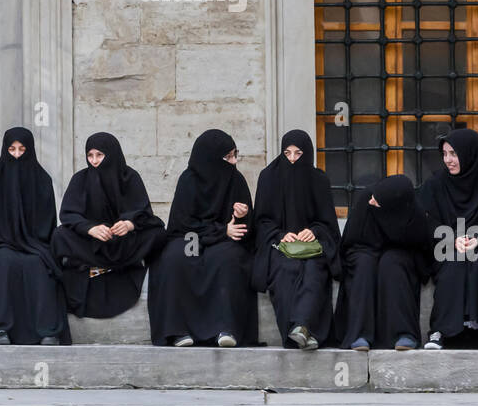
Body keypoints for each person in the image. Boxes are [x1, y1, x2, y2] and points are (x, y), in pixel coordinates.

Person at [148, 129, 257, 348]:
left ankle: (226, 329)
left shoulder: (236, 179)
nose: (234, 161)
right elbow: (184, 224)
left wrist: (242, 215)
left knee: (228, 260)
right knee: (176, 258)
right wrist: (220, 231)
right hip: (192, 237)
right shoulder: (189, 180)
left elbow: (246, 230)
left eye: (235, 155)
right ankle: (178, 331)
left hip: (224, 242)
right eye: (228, 157)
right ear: (210, 158)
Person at [49, 132, 165, 318]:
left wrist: (129, 224)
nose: (94, 161)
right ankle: (104, 266)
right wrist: (90, 228)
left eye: (99, 155)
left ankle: (107, 265)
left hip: (122, 243)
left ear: (112, 154)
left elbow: (145, 213)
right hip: (92, 244)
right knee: (60, 235)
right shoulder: (80, 179)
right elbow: (68, 214)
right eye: (90, 155)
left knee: (158, 233)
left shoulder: (130, 177)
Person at [0, 127, 70, 345]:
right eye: (12, 149)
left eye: (22, 149)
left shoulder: (41, 179)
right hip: (0, 245)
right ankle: (0, 330)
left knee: (38, 264)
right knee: (6, 262)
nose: (16, 155)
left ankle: (47, 331)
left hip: (34, 244)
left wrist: (29, 241)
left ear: (30, 150)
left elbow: (47, 223)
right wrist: (7, 241)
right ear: (5, 149)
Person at [418, 128, 478, 350]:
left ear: (470, 154)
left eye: (454, 154)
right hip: (446, 246)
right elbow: (427, 223)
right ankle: (440, 331)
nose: (448, 160)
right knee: (455, 264)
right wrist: (452, 239)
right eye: (445, 154)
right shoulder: (436, 184)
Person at [251, 129, 340, 350]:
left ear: (307, 153)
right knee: (285, 270)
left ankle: (301, 327)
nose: (292, 159)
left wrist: (314, 231)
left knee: (314, 269)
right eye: (287, 153)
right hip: (279, 246)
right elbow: (261, 221)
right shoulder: (268, 177)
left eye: (298, 153)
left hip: (312, 248)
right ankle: (301, 330)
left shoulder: (318, 180)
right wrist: (281, 235)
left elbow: (327, 222)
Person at [333, 173, 436, 350]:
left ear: (392, 206)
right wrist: (374, 253)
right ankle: (360, 334)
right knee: (365, 264)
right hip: (363, 250)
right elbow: (349, 244)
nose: (372, 202)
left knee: (393, 263)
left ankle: (404, 333)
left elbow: (422, 249)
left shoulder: (412, 214)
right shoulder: (366, 200)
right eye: (373, 198)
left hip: (400, 252)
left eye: (377, 202)